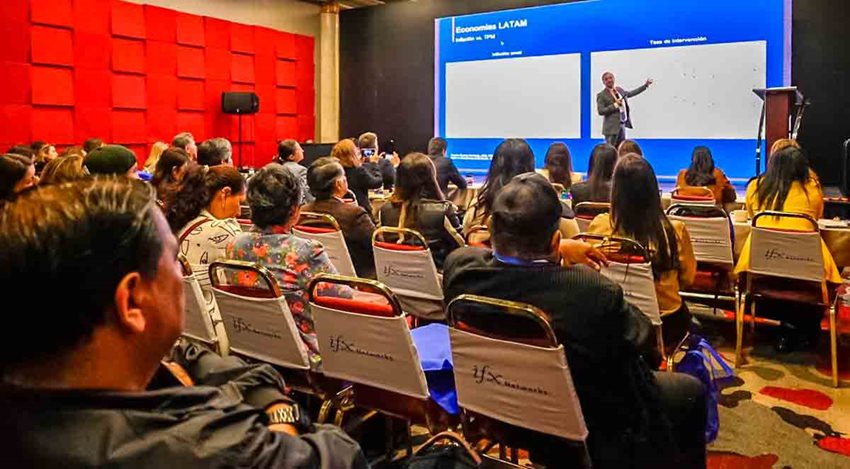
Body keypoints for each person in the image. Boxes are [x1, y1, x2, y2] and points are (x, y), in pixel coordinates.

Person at [0, 178, 366, 468]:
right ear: (132, 301)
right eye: (175, 260)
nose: (184, 276)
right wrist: (280, 415)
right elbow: (340, 454)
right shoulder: (206, 449)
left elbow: (190, 355)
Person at [442, 173, 706, 468]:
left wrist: (556, 250)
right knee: (690, 392)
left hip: (496, 411)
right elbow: (645, 343)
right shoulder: (589, 290)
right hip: (582, 422)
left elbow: (474, 254)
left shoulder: (461, 272)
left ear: (491, 230)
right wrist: (558, 253)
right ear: (556, 240)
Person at [228, 164, 341, 369]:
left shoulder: (234, 245)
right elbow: (342, 296)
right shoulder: (305, 251)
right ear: (294, 210)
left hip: (253, 349)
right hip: (305, 356)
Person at [735, 146, 841, 350]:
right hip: (807, 274)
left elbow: (751, 215)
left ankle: (787, 329)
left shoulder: (756, 187)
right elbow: (817, 216)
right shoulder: (812, 189)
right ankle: (802, 329)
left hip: (759, 271)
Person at [587, 154, 697, 346]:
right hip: (666, 326)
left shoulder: (599, 226)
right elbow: (688, 278)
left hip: (615, 323)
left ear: (615, 191)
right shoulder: (674, 231)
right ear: (653, 189)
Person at [463, 138, 579, 240]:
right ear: (531, 167)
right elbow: (575, 243)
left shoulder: (477, 209)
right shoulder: (557, 213)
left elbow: (466, 237)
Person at [378, 153, 464, 269]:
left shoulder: (384, 210)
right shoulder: (443, 211)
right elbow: (461, 246)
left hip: (393, 274)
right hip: (437, 275)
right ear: (431, 178)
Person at [302, 157, 376, 278]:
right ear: (339, 184)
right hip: (357, 277)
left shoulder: (302, 213)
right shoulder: (354, 214)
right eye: (344, 177)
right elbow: (377, 244)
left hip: (316, 275)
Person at [167, 165, 245, 266]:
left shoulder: (180, 220)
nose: (239, 212)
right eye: (240, 202)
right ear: (225, 193)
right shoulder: (225, 232)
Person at [597, 72, 653, 147]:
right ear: (603, 82)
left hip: (622, 125)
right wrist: (615, 105)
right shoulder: (601, 95)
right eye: (606, 79)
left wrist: (645, 86)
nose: (609, 80)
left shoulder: (619, 90)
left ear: (614, 79)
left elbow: (631, 93)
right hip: (611, 129)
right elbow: (601, 111)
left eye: (611, 78)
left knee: (621, 148)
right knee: (610, 150)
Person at [333, 139, 382, 218]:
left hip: (340, 212)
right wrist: (374, 165)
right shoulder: (358, 171)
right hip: (360, 212)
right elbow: (376, 183)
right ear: (352, 154)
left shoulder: (334, 172)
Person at [277, 139, 314, 204]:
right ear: (291, 157)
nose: (302, 150)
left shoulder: (278, 168)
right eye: (299, 149)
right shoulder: (301, 170)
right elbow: (307, 194)